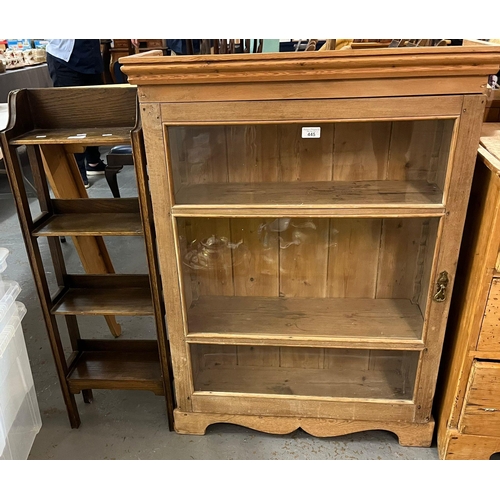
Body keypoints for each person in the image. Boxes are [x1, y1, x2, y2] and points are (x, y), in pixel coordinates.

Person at [46, 39, 107, 188]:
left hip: (90, 55)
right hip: (65, 59)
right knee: (72, 115)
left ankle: (93, 161)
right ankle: (76, 172)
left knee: (93, 111)